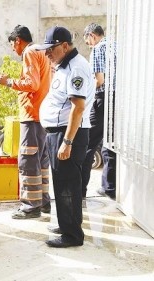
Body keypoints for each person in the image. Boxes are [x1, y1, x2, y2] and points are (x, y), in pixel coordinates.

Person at [35, 26, 95, 247]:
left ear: (65, 46)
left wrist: (67, 142)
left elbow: (77, 108)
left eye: (51, 49)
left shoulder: (76, 68)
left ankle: (72, 236)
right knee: (63, 183)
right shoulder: (64, 65)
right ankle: (68, 224)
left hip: (68, 133)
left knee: (67, 185)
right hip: (59, 132)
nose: (47, 53)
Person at [0, 25, 52, 219]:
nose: (13, 49)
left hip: (32, 114)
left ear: (18, 40)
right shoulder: (42, 51)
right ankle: (43, 202)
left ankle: (30, 206)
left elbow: (32, 84)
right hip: (43, 115)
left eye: (12, 44)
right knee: (41, 161)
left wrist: (8, 82)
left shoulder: (29, 52)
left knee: (28, 161)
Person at [81, 23, 116, 200]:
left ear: (93, 36)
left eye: (88, 41)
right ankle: (110, 188)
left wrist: (85, 92)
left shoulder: (98, 49)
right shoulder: (116, 46)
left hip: (102, 100)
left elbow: (99, 80)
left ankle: (80, 191)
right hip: (118, 101)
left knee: (88, 144)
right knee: (110, 143)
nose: (89, 45)